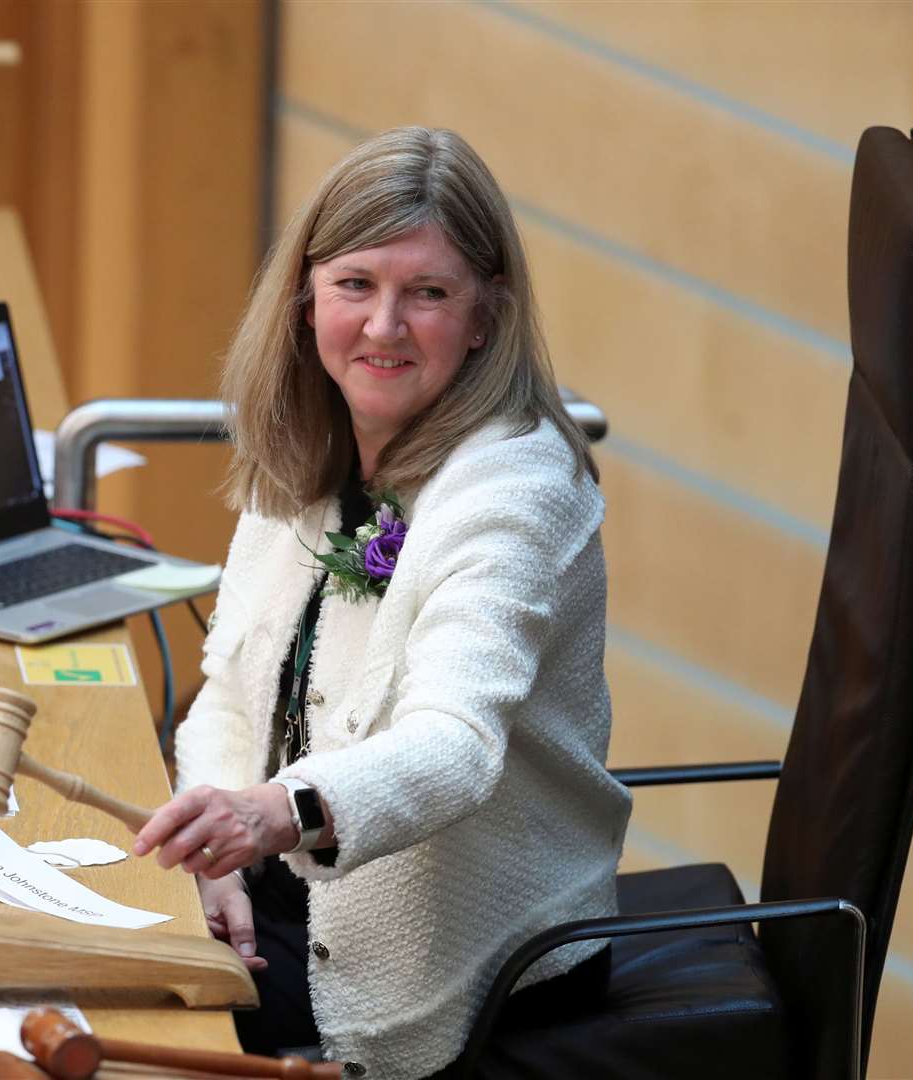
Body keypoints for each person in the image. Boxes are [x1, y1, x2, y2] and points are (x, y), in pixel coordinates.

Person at [132, 127, 633, 1080]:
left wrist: (273, 814)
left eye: (429, 293)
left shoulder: (517, 492)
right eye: (357, 284)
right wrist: (217, 859)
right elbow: (231, 696)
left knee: (110, 1031)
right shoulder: (312, 441)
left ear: (486, 314)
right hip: (279, 896)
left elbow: (457, 744)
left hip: (452, 952)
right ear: (306, 295)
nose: (383, 326)